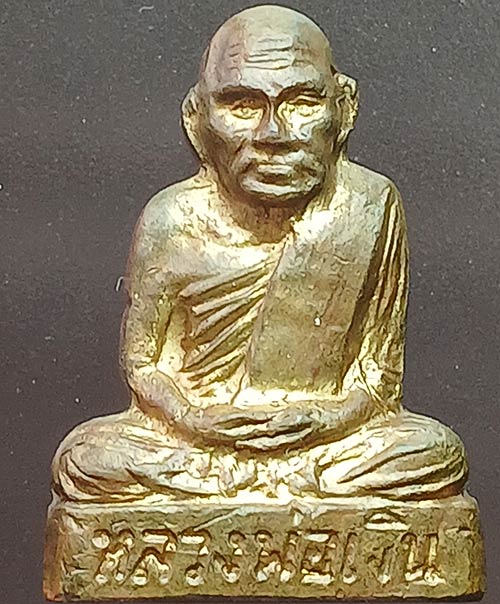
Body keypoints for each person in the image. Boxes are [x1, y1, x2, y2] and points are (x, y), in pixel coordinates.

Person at [52, 5, 467, 503]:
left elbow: (379, 376)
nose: (274, 135)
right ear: (196, 118)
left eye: (302, 102)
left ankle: (253, 487)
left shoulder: (371, 206)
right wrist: (194, 418)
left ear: (346, 108)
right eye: (243, 105)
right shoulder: (172, 219)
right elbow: (143, 364)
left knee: (435, 452)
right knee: (85, 459)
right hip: (199, 439)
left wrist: (325, 418)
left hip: (327, 441)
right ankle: (284, 489)